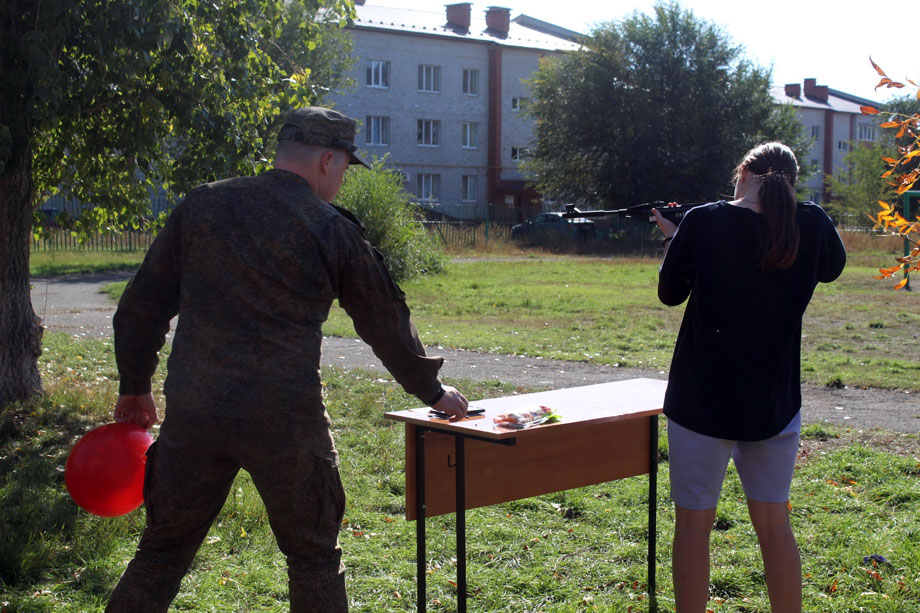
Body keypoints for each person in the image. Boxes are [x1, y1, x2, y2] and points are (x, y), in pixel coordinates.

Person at [106, 106, 469, 612]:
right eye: (344, 166)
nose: (341, 179)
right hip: (284, 421)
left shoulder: (201, 207)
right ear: (327, 159)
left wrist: (134, 386)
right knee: (314, 558)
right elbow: (384, 320)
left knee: (161, 551)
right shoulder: (329, 226)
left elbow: (140, 306)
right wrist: (431, 391)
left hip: (195, 411)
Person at [652, 142, 846, 612]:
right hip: (774, 402)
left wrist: (677, 239)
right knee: (775, 524)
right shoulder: (814, 223)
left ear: (742, 172)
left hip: (701, 401)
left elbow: (670, 294)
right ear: (792, 180)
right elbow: (831, 267)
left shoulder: (702, 221)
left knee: (693, 528)